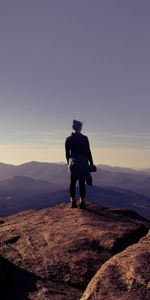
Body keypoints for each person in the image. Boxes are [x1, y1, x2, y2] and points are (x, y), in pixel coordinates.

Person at [65, 120, 94, 209]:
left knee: (73, 182)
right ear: (80, 128)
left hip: (73, 162)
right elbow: (88, 151)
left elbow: (67, 153)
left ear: (73, 128)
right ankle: (82, 202)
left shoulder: (69, 139)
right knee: (82, 182)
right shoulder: (84, 138)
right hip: (83, 162)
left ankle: (73, 202)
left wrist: (68, 163)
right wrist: (91, 163)